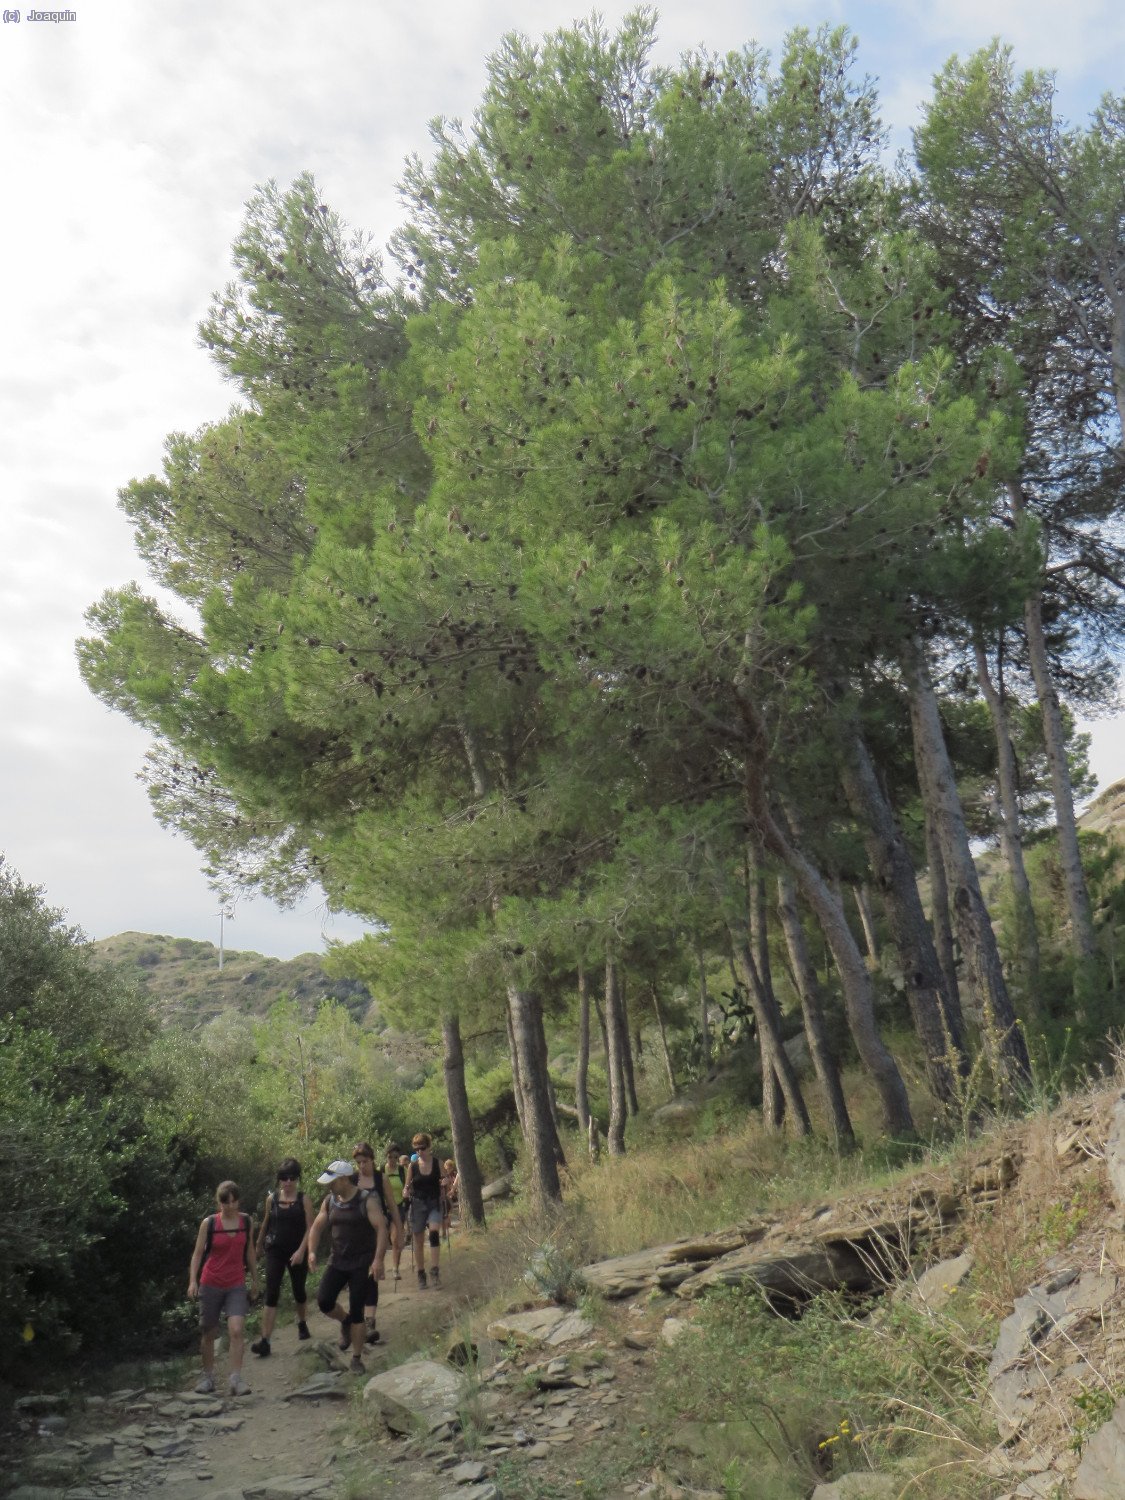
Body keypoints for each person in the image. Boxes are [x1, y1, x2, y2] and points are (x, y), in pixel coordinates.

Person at [307, 1159, 387, 1375]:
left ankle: (356, 1358)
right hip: (338, 1260)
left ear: (343, 1179)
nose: (329, 1186)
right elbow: (316, 1227)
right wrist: (312, 1251)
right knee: (324, 1301)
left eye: (332, 1182)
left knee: (358, 1310)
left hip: (362, 1263)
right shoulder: (330, 1201)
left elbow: (381, 1229)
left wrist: (378, 1259)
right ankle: (345, 1321)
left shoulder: (366, 1199)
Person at [187, 1181, 258, 1397]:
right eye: (225, 1203)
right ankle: (208, 1376)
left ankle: (236, 1379)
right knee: (209, 1332)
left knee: (236, 1330)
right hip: (211, 1283)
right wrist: (193, 1280)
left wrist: (255, 1279)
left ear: (238, 1201)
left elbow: (250, 1252)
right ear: (219, 1203)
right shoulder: (208, 1224)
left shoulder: (246, 1221)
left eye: (234, 1202)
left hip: (236, 1282)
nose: (230, 1206)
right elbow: (198, 1253)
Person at [250, 1157, 313, 1357]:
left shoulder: (304, 1199)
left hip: (297, 1249)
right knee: (271, 1291)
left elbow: (311, 1228)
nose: (287, 1182)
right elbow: (267, 1222)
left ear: (297, 1179)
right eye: (283, 1178)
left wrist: (302, 1250)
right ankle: (265, 1340)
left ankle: (302, 1322)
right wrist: (258, 1245)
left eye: (292, 1178)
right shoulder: (273, 1199)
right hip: (275, 1249)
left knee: (298, 1290)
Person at [351, 1141, 402, 1344]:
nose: (362, 1166)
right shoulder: (352, 1180)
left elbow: (392, 1205)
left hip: (376, 1234)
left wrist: (399, 1226)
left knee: (372, 1274)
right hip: (354, 1234)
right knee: (357, 1276)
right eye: (358, 1162)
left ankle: (370, 1321)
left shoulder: (381, 1180)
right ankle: (357, 1320)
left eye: (364, 1161)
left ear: (372, 1160)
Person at [404, 1133, 444, 1290]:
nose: (419, 1151)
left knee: (434, 1233)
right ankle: (421, 1273)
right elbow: (407, 1186)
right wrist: (405, 1191)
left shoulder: (437, 1163)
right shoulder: (412, 1167)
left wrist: (445, 1182)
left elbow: (444, 1180)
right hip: (418, 1204)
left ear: (429, 1147)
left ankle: (434, 1270)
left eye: (422, 1148)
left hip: (434, 1203)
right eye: (416, 1149)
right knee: (418, 1241)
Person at [383, 1145, 406, 1280]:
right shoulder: (380, 1171)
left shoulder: (403, 1171)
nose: (392, 1160)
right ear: (386, 1157)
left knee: (396, 1239)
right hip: (382, 1209)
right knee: (381, 1240)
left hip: (398, 1208)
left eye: (395, 1157)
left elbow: (410, 1185)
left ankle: (395, 1268)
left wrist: (408, 1192)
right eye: (390, 1157)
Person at [441, 1158, 459, 1231]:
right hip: (445, 1194)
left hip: (452, 1193)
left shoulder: (454, 1174)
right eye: (448, 1168)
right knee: (448, 1208)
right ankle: (447, 1225)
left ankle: (449, 1224)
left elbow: (454, 1183)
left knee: (450, 1209)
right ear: (445, 1167)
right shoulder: (443, 1175)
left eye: (450, 1168)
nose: (449, 1169)